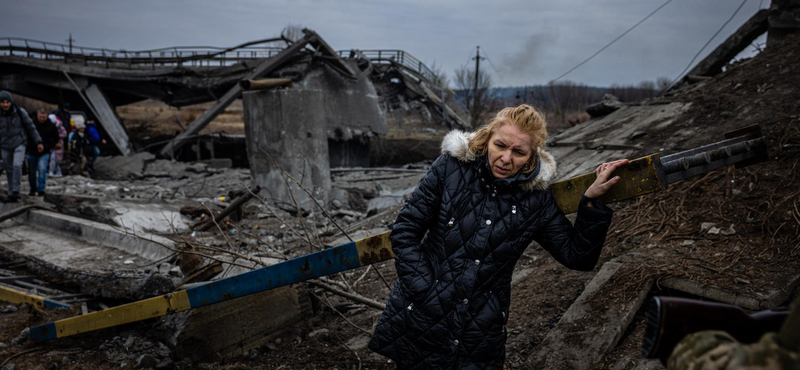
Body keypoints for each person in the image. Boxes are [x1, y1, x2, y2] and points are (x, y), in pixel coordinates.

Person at [368, 104, 628, 369]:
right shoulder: (450, 169)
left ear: (531, 156)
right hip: (422, 315)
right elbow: (405, 230)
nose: (506, 158)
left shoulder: (536, 200)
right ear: (488, 137)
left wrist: (592, 204)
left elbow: (578, 257)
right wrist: (425, 288)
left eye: (518, 152)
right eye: (500, 145)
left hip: (480, 330)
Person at [0, 91, 43, 202]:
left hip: (19, 143)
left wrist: (38, 141)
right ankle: (11, 194)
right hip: (4, 145)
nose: (5, 105)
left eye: (7, 102)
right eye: (2, 102)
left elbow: (30, 127)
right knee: (9, 170)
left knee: (17, 165)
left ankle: (16, 190)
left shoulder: (20, 112)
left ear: (11, 102)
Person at [27, 108, 60, 196]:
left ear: (47, 116)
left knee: (42, 169)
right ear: (37, 115)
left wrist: (49, 146)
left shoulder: (51, 126)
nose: (42, 118)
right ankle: (33, 188)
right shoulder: (31, 124)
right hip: (31, 150)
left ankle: (41, 189)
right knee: (31, 172)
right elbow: (26, 136)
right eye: (40, 117)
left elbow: (56, 138)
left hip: (45, 151)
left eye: (44, 117)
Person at [47, 113, 67, 177]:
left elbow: (65, 134)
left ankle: (51, 171)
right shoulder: (50, 127)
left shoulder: (60, 127)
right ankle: (58, 172)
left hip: (58, 145)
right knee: (54, 159)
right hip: (52, 144)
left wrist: (57, 136)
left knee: (54, 159)